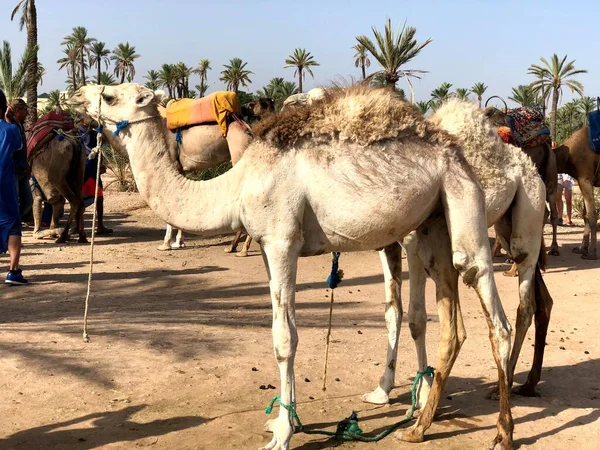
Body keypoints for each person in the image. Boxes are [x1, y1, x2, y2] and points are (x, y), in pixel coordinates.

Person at [0, 89, 28, 285]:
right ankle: (13, 271)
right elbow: (19, 148)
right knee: (12, 226)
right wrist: (8, 121)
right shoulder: (11, 130)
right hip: (5, 185)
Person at [4, 98, 33, 225]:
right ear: (17, 111)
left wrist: (26, 166)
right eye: (24, 109)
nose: (27, 112)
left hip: (22, 169)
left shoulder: (20, 126)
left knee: (28, 201)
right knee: (13, 200)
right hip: (12, 171)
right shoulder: (11, 127)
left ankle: (15, 220)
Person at [80, 126, 112, 234]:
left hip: (88, 169)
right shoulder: (87, 134)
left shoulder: (85, 133)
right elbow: (93, 150)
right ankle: (98, 226)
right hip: (89, 169)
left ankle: (82, 226)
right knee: (95, 197)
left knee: (93, 197)